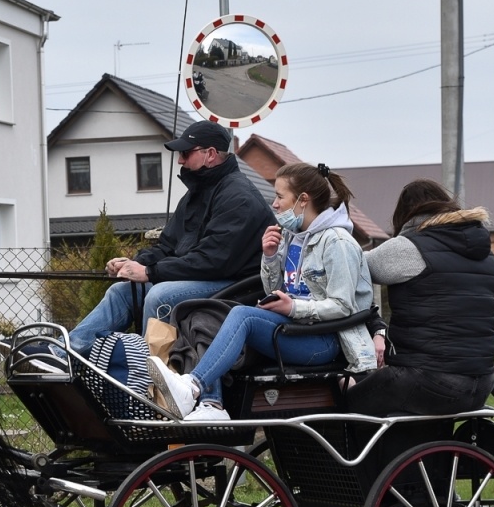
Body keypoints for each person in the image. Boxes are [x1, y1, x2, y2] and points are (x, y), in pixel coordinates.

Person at [150, 162, 376, 422]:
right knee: (200, 318)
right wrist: (269, 257)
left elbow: (343, 307)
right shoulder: (293, 236)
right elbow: (274, 290)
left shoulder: (337, 242)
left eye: (280, 196)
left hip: (323, 341)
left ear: (303, 200)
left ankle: (191, 388)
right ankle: (212, 405)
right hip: (293, 328)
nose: (275, 204)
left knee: (242, 315)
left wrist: (293, 307)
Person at [64, 119, 274, 357]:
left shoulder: (239, 197)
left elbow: (213, 260)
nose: (180, 160)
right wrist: (136, 264)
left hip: (236, 284)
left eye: (186, 153)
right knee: (121, 291)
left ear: (211, 154)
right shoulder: (197, 193)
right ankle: (64, 355)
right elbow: (168, 245)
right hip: (205, 274)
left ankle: (147, 378)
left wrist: (151, 272)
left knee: (159, 296)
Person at [346, 178, 494, 416]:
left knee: (346, 404)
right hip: (481, 383)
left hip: (427, 379)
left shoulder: (409, 247)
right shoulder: (487, 257)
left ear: (406, 215)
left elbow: (352, 268)